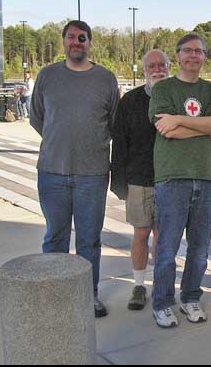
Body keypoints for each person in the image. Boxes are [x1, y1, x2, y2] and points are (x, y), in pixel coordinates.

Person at [30, 20, 120, 318]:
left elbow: (113, 123)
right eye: (71, 37)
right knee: (55, 237)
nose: (76, 42)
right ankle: (55, 294)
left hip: (92, 175)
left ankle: (87, 296)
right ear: (64, 42)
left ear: (89, 42)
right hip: (53, 173)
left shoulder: (105, 79)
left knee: (89, 239)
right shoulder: (47, 76)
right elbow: (37, 118)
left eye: (82, 38)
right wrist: (60, 141)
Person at [148, 34, 211, 328]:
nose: (194, 55)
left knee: (199, 247)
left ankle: (191, 297)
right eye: (188, 50)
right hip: (172, 178)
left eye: (199, 51)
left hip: (208, 177)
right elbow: (165, 130)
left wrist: (180, 120)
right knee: (167, 247)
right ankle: (162, 303)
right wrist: (203, 128)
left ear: (204, 56)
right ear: (178, 55)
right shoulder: (164, 88)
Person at [110, 49, 171, 310]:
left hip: (170, 179)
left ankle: (161, 284)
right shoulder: (131, 101)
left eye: (161, 65)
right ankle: (138, 285)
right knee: (141, 233)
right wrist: (119, 182)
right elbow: (119, 143)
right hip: (139, 179)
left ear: (169, 67)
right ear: (144, 70)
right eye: (151, 66)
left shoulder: (177, 98)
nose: (157, 70)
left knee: (163, 235)